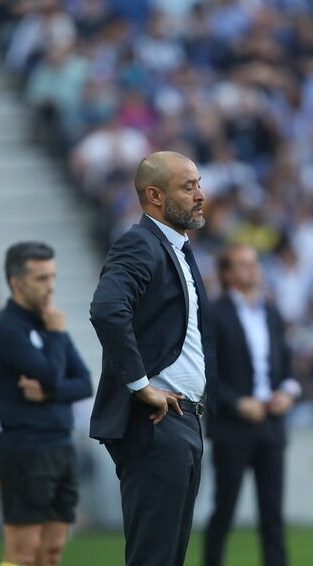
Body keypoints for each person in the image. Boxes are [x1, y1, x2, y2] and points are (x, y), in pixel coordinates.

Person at [89, 150, 217, 566]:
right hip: (157, 423)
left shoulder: (176, 247)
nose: (200, 195)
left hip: (183, 421)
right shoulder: (139, 243)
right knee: (154, 558)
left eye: (198, 184)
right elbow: (108, 309)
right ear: (155, 195)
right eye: (188, 186)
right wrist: (140, 385)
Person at [0, 242, 92, 566]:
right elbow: (51, 373)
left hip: (61, 446)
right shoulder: (5, 329)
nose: (51, 287)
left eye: (53, 277)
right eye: (41, 278)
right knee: (23, 552)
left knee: (51, 553)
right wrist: (56, 338)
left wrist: (49, 391)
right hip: (26, 449)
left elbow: (84, 382)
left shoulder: (49, 323)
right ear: (16, 282)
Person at [204, 245, 300, 566]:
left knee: (273, 514)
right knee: (225, 510)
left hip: (271, 424)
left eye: (254, 263)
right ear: (228, 273)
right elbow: (206, 371)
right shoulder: (214, 313)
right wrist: (237, 403)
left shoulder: (271, 313)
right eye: (244, 265)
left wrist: (288, 392)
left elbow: (286, 367)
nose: (252, 269)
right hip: (233, 428)